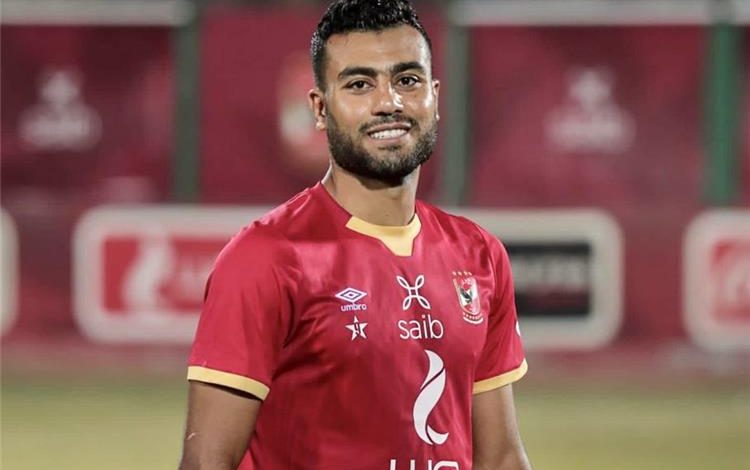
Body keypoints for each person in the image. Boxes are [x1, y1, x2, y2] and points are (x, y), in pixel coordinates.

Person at [179, 1, 530, 469]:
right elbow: (206, 461)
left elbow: (501, 457)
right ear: (320, 109)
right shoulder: (266, 259)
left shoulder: (479, 255)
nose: (389, 103)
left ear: (435, 96)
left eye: (407, 80)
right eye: (360, 84)